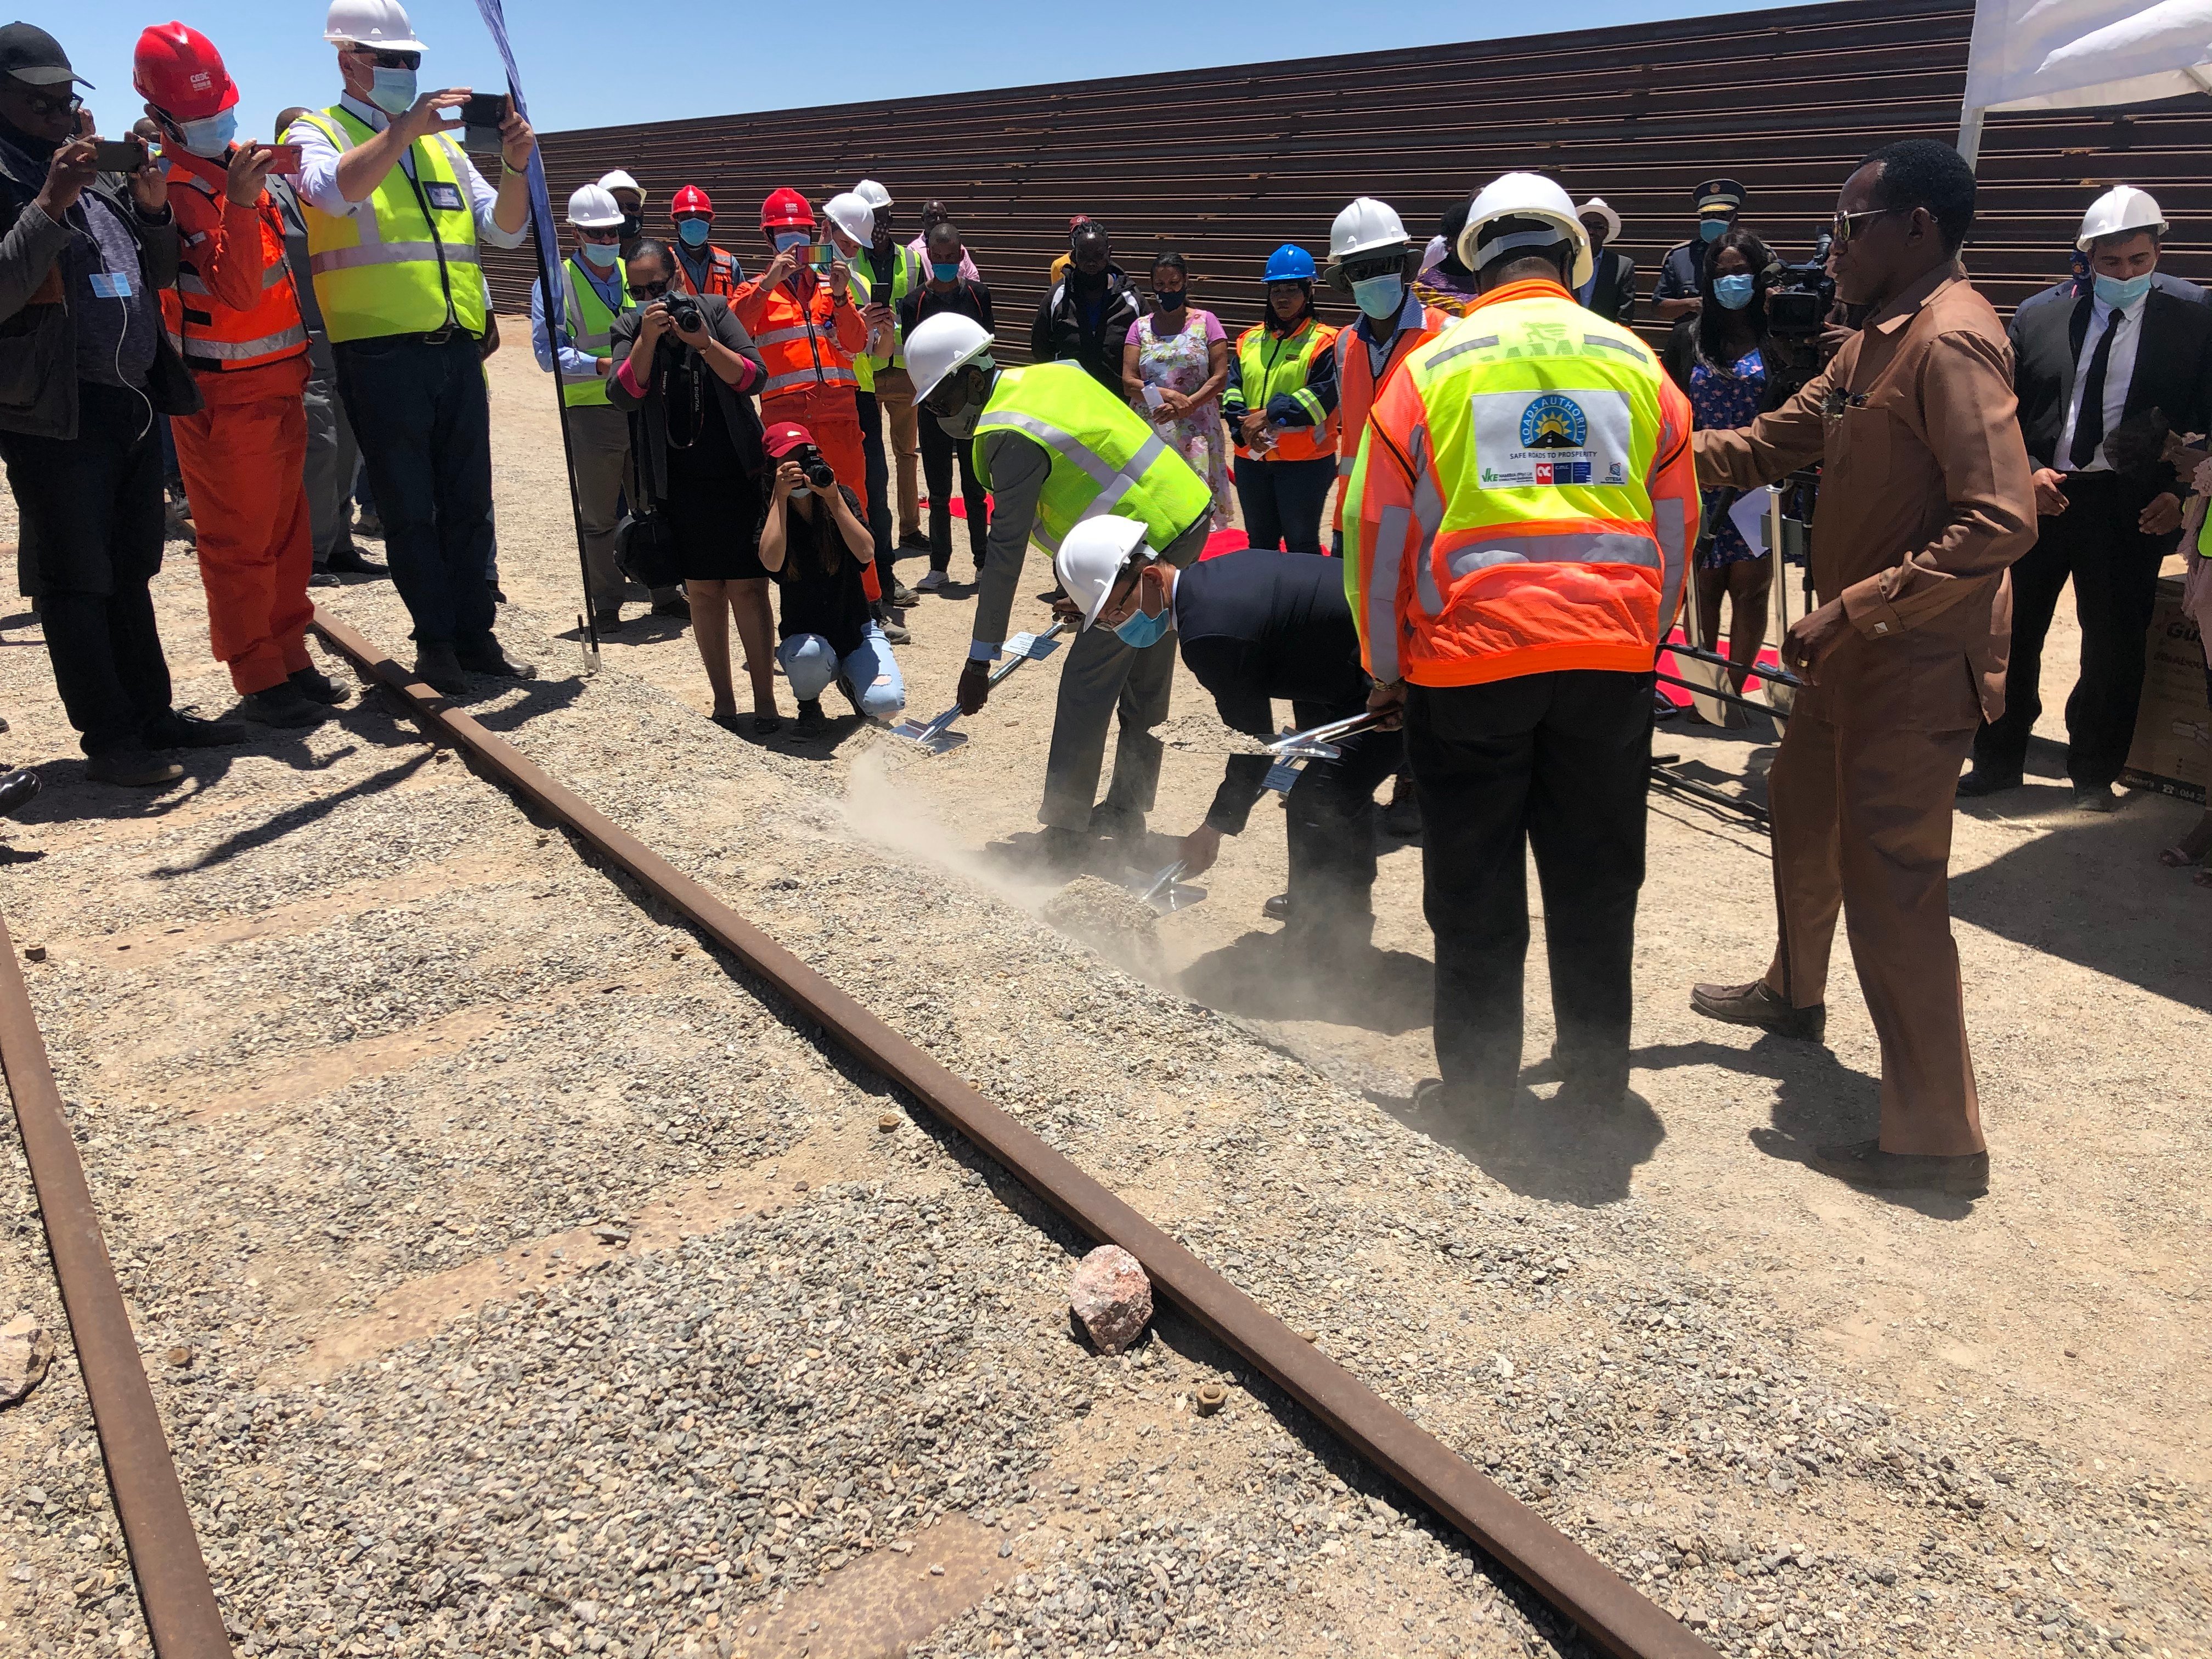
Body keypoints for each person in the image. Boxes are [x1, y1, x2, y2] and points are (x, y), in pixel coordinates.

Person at [1688, 139, 2036, 1198]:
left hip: (1910, 660)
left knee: (1894, 887)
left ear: (1915, 228)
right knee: (1799, 812)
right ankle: (1795, 993)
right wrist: (1636, 438)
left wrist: (1855, 604)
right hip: (1845, 662)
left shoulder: (1950, 342)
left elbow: (2000, 517)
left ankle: (1935, 1139)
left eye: (1846, 226)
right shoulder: (1868, 347)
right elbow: (1766, 443)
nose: (1825, 249)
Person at [1346, 172, 1696, 1114]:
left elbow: (1374, 538)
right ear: (1572, 258)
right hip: (1607, 667)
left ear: (1473, 261)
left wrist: (1384, 665)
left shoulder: (1427, 369)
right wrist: (1639, 638)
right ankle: (1593, 1084)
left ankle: (1479, 1094)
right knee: (1595, 880)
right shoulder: (1637, 364)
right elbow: (1675, 531)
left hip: (1468, 669)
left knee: (1473, 883)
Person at [0, 21, 248, 787]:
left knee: (131, 567)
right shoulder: (22, 176)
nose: (54, 112)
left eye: (63, 98)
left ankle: (152, 715)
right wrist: (49, 199)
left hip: (129, 399)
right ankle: (110, 741)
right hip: (56, 409)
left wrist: (147, 208)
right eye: (37, 101)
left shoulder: (91, 170)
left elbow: (160, 273)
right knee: (77, 578)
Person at [286, 0, 537, 697]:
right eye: (394, 61)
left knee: (468, 501)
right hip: (379, 352)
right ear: (350, 62)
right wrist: (402, 129)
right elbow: (334, 194)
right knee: (409, 505)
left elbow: (504, 230)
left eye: (412, 61)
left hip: (456, 347)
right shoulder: (318, 131)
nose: (407, 72)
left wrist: (516, 167)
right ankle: (435, 642)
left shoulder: (444, 147)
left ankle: (475, 633)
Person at [907, 311, 1213, 865]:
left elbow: (1005, 554)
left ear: (974, 378)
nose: (939, 414)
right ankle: (1126, 812)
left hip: (1148, 543)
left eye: (942, 400)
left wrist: (980, 659)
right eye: (930, 406)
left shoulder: (1006, 432)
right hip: (1182, 513)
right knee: (1145, 677)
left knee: (1087, 682)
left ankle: (1068, 833)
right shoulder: (1048, 376)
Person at [1959, 185, 2212, 809]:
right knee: (2012, 633)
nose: (2125, 274)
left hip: (2131, 505)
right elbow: (2003, 410)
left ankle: (2094, 771)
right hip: (2044, 495)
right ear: (2086, 257)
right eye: (2111, 263)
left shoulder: (2196, 316)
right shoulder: (2040, 314)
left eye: (2140, 261)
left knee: (2114, 644)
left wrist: (2180, 493)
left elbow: (2205, 416)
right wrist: (2030, 472)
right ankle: (1997, 757)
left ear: (2159, 251)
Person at [1059, 520, 1402, 956]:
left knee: (1322, 798)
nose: (1119, 627)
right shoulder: (1214, 580)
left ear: (1148, 578)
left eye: (1115, 614)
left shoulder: (1210, 635)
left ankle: (1329, 947)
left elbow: (1252, 749)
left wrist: (1209, 833)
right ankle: (1323, 914)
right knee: (1321, 788)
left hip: (1398, 679)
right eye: (1108, 623)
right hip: (1356, 669)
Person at [137, 23, 342, 731]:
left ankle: (291, 654)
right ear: (163, 119)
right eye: (198, 116)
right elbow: (237, 293)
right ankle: (258, 676)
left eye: (220, 109)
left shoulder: (231, 168)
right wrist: (248, 201)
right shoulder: (172, 189)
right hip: (225, 397)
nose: (217, 123)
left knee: (287, 532)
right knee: (240, 542)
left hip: (280, 381)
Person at [606, 240, 775, 733]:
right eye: (640, 292)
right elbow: (624, 394)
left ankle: (764, 701)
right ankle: (724, 704)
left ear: (677, 276)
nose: (652, 299)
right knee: (702, 592)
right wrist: (647, 340)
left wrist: (703, 342)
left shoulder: (716, 310)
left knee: (747, 588)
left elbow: (753, 378)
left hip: (734, 472)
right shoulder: (630, 328)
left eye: (658, 287)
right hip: (677, 482)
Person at [1325, 197, 1444, 839]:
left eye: (1382, 265)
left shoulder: (1444, 339)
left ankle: (1415, 787)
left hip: (1425, 528)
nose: (1372, 279)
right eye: (1358, 270)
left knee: (1424, 647)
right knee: (1373, 650)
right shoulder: (1345, 344)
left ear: (1403, 263)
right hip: (1361, 526)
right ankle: (1375, 768)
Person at [531, 182, 665, 633]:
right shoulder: (556, 282)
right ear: (576, 235)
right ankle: (606, 603)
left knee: (653, 503)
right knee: (599, 516)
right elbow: (550, 353)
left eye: (613, 232)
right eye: (597, 234)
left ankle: (665, 591)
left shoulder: (636, 275)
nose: (608, 242)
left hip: (642, 406)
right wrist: (601, 364)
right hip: (590, 412)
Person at [1661, 225, 1787, 702]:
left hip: (1758, 485)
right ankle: (1704, 696)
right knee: (1703, 590)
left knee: (1751, 590)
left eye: (1741, 272)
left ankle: (1733, 691)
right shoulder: (1687, 339)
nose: (1731, 281)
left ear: (1758, 277)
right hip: (1699, 478)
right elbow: (1669, 406)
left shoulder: (1779, 340)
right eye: (1721, 273)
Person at [269, 104, 381, 586]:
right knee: (318, 444)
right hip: (301, 340)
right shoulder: (268, 194)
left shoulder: (334, 187)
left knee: (346, 447)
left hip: (344, 333)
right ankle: (307, 556)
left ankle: (338, 546)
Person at [757, 419, 905, 739]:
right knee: (808, 656)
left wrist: (834, 498)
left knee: (887, 703)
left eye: (804, 457)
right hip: (805, 636)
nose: (798, 470)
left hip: (856, 629)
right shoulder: (769, 507)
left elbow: (866, 553)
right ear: (773, 468)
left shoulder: (840, 496)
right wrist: (780, 499)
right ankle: (809, 707)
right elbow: (771, 562)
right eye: (787, 461)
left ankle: (851, 680)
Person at [731, 188, 869, 514]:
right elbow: (734, 330)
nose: (794, 241)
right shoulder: (753, 291)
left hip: (840, 420)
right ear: (769, 238)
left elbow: (857, 344)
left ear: (813, 237)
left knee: (853, 513)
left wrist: (839, 298)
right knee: (797, 517)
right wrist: (768, 284)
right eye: (783, 233)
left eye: (801, 233)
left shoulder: (833, 287)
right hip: (788, 425)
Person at [820, 189, 915, 634]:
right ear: (826, 229)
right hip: (809, 400)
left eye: (856, 244)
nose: (851, 250)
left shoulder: (856, 284)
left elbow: (878, 353)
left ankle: (880, 585)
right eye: (846, 240)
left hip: (856, 394)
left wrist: (882, 329)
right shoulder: (795, 280)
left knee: (871, 490)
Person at [1222, 244, 1338, 555]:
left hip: (1305, 463)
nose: (1283, 298)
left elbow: (1321, 399)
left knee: (1301, 543)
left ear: (1309, 290)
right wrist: (1244, 431)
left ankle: (1304, 605)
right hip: (1252, 460)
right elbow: (1233, 391)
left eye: (1292, 289)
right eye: (1276, 290)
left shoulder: (1325, 341)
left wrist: (1270, 415)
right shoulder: (1248, 340)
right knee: (1260, 543)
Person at [899, 218, 994, 588]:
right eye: (937, 257)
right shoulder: (914, 302)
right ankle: (939, 565)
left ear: (960, 255)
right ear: (929, 257)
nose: (943, 262)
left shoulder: (978, 295)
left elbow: (987, 347)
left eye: (950, 256)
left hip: (972, 405)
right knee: (938, 490)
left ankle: (982, 561)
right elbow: (912, 355)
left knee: (974, 486)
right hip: (933, 405)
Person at [1120, 252, 1232, 532]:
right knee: (1159, 508)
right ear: (1152, 285)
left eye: (1174, 282)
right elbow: (1128, 381)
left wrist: (1189, 404)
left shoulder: (1206, 322)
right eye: (1161, 284)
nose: (1167, 290)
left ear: (1186, 282)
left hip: (1198, 433)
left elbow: (1219, 377)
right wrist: (1168, 396)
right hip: (1154, 430)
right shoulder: (1140, 328)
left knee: (1197, 511)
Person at [850, 178, 926, 555]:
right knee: (868, 454)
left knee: (906, 453)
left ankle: (910, 529)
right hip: (864, 370)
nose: (880, 224)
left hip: (903, 369)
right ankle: (868, 524)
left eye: (884, 216)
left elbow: (924, 308)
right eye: (873, 217)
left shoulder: (911, 260)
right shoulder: (849, 261)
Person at [1032, 219, 1138, 396]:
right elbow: (1041, 349)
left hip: (1117, 403)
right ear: (1074, 257)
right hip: (1070, 400)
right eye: (1084, 256)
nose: (1091, 263)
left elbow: (1147, 345)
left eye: (1098, 255)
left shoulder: (1130, 298)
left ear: (1109, 254)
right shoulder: (1058, 296)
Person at [1652, 177, 1745, 322]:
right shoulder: (1680, 257)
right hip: (1691, 338)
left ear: (1735, 218)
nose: (1713, 220)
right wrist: (1691, 304)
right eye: (1707, 215)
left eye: (1722, 215)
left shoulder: (1757, 253)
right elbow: (1659, 307)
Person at [668, 183, 743, 296]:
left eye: (700, 217)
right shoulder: (665, 262)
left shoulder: (729, 263)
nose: (694, 222)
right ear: (676, 224)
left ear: (709, 222)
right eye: (687, 217)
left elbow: (743, 306)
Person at [1412, 200, 1480, 319]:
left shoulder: (1491, 278)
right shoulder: (1426, 286)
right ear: (1451, 240)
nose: (1473, 245)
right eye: (1467, 237)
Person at [1577, 197, 1637, 328]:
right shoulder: (1564, 260)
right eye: (1586, 225)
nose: (1591, 231)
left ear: (1607, 232)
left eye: (1598, 227)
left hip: (1604, 340)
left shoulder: (1622, 266)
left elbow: (1624, 314)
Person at [909, 199, 979, 283]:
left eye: (942, 216)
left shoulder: (957, 246)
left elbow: (973, 276)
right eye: (933, 216)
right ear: (923, 219)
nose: (938, 220)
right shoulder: (913, 250)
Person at [599, 167, 644, 257]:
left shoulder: (657, 257)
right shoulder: (592, 261)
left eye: (633, 207)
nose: (626, 212)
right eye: (617, 208)